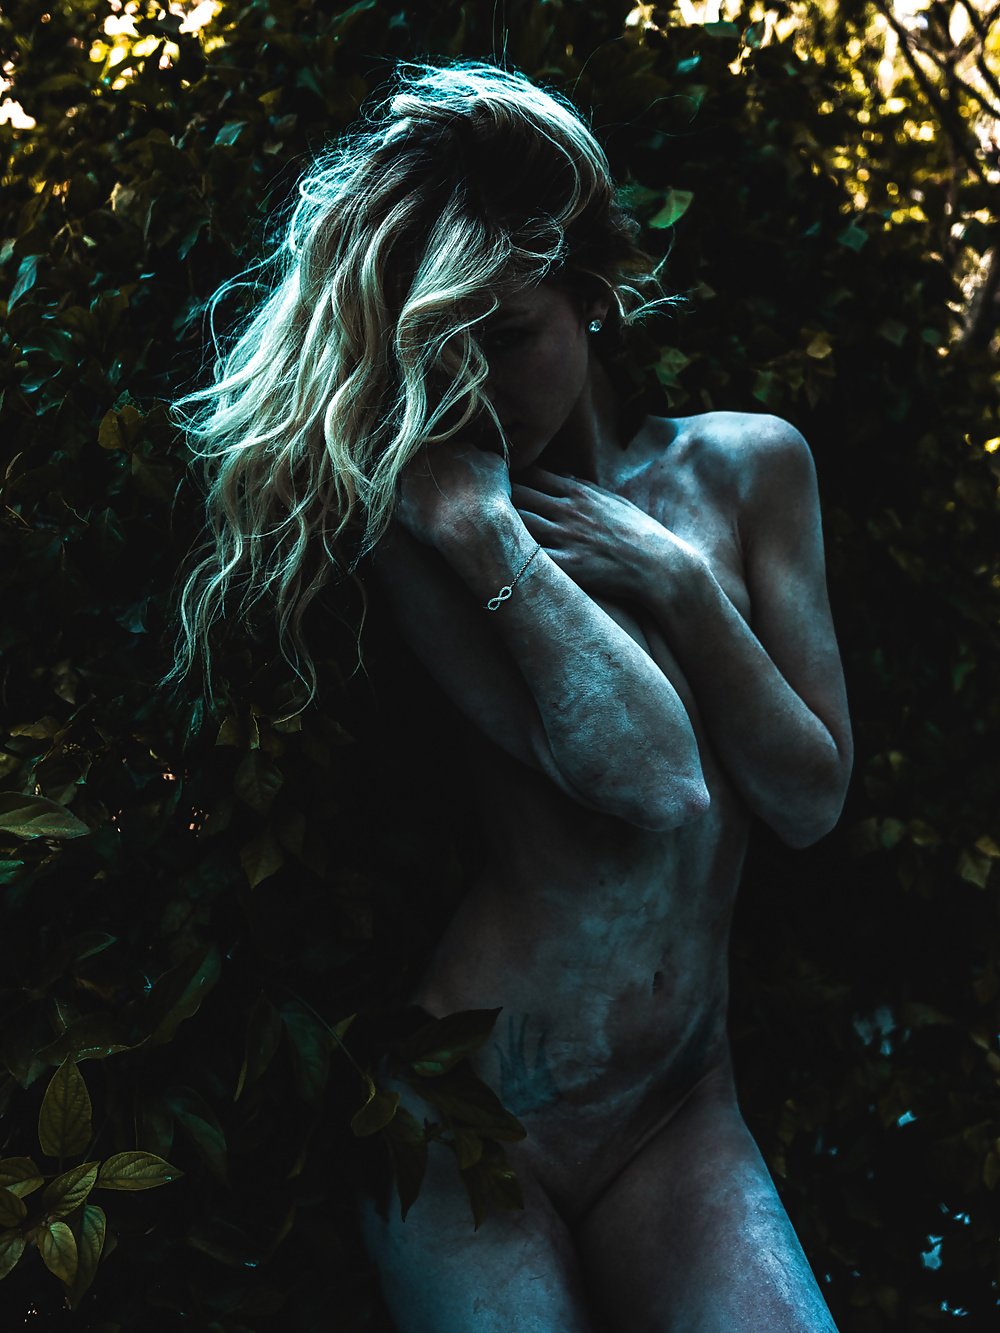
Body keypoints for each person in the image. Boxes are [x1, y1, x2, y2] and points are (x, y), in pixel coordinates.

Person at [164, 57, 852, 1332]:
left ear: (589, 292)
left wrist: (678, 583)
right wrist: (487, 534)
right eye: (442, 350)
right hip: (469, 1116)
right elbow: (654, 776)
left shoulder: (750, 468)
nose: (474, 385)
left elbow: (809, 798)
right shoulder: (433, 523)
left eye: (508, 335)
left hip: (679, 1107)